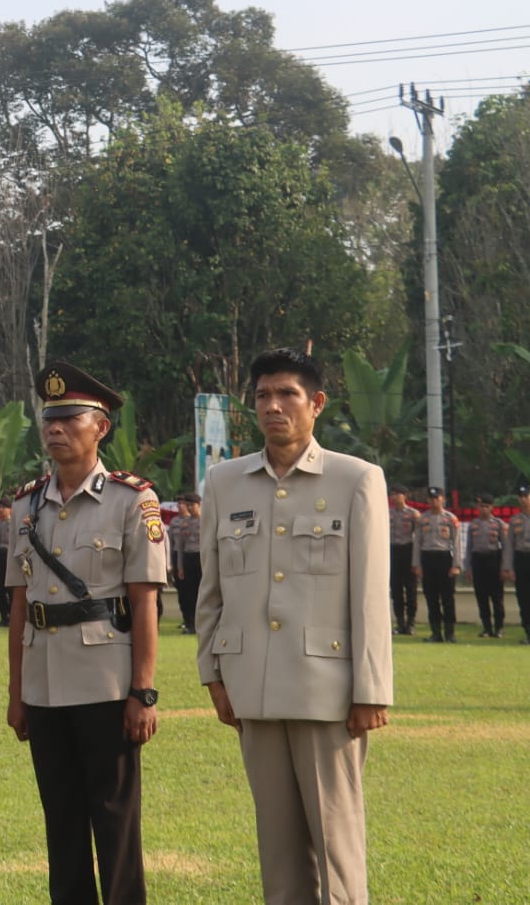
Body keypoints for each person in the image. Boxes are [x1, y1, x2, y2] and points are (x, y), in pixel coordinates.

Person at [196, 348, 393, 905]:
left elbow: (371, 596)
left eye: (287, 394)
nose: (273, 406)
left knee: (336, 848)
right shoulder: (224, 482)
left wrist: (371, 691)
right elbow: (211, 591)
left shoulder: (356, 479)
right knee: (278, 852)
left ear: (317, 404)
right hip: (250, 687)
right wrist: (212, 673)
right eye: (262, 395)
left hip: (326, 692)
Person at [6, 363, 164, 905]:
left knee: (115, 821)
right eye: (50, 418)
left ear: (100, 427)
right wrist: (16, 694)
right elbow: (19, 604)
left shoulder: (131, 499)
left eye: (70, 418)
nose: (56, 428)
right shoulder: (25, 506)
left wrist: (143, 692)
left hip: (106, 682)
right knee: (61, 821)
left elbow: (145, 601)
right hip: (44, 682)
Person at [414, 486, 462, 644]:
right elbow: (417, 543)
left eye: (437, 497)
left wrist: (456, 565)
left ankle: (450, 634)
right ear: (427, 500)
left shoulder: (450, 519)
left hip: (444, 559)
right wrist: (417, 564)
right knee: (431, 598)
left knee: (447, 599)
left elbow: (456, 544)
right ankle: (436, 633)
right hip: (428, 559)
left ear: (443, 499)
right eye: (431, 498)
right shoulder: (422, 519)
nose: (434, 501)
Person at [464, 494, 509, 639]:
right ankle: (487, 627)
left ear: (492, 508)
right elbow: (469, 548)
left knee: (497, 597)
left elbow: (506, 547)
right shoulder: (473, 525)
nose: (484, 509)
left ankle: (499, 627)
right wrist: (468, 568)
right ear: (478, 507)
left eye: (487, 506)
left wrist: (504, 567)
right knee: (481, 597)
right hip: (478, 561)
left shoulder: (498, 524)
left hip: (494, 559)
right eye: (481, 506)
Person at [388, 485, 420, 636]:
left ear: (405, 496)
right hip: (393, 551)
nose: (394, 497)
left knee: (411, 590)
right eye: (392, 494)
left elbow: (419, 539)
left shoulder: (414, 515)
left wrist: (417, 561)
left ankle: (410, 623)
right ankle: (400, 623)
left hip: (408, 551)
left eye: (397, 494)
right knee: (396, 590)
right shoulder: (387, 514)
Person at [173, 494, 204, 635]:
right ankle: (191, 625)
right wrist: (180, 566)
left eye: (192, 505)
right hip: (188, 558)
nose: (190, 508)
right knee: (189, 594)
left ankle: (203, 624)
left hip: (202, 559)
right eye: (188, 505)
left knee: (202, 593)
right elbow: (179, 546)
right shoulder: (184, 523)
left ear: (199, 505)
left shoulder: (207, 521)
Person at [509, 486, 530, 645]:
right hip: (521, 559)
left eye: (526, 496)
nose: (523, 499)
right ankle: (528, 632)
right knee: (523, 598)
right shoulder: (514, 520)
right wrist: (509, 567)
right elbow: (509, 545)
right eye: (520, 496)